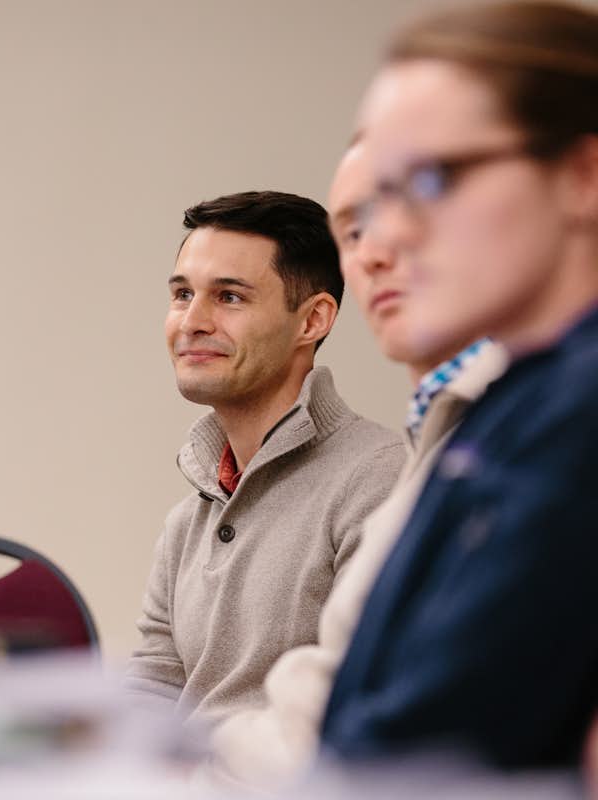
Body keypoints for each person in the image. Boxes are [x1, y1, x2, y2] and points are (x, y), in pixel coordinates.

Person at [319, 0, 598, 769]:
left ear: (583, 175)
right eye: (376, 202)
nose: (391, 236)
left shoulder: (575, 414)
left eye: (434, 179)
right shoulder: (518, 400)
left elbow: (424, 748)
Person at [208, 144, 507, 791]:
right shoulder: (199, 498)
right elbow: (153, 674)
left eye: (228, 296)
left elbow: (364, 704)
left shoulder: (401, 464)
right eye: (353, 230)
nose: (370, 253)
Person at [125, 191, 405, 727]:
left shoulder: (380, 481)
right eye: (183, 293)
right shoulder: (188, 520)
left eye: (229, 297)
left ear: (313, 320)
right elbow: (153, 687)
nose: (193, 321)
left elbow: (358, 701)